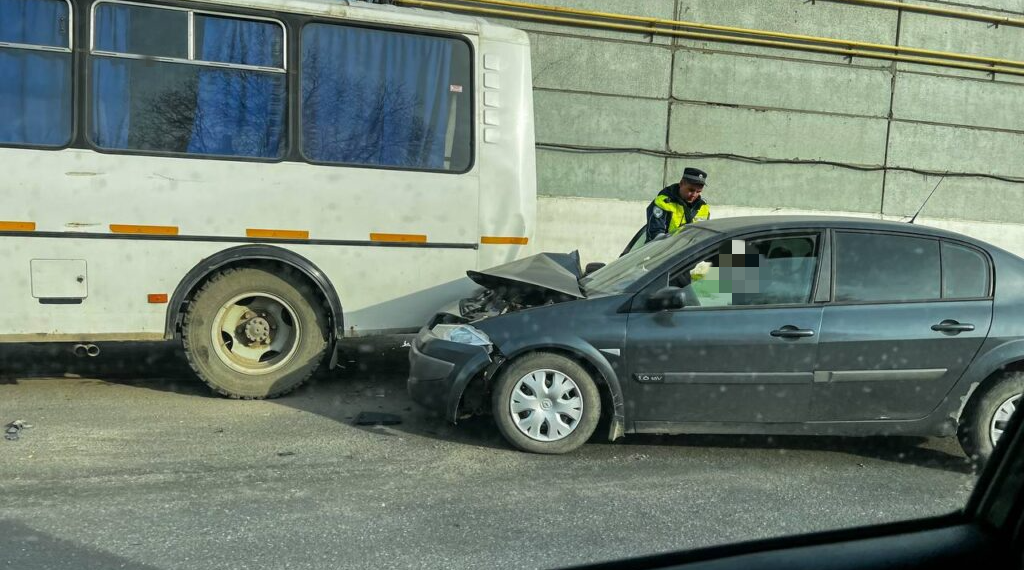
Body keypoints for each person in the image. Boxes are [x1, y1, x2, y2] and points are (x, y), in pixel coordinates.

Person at [644, 167, 711, 242]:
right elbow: (655, 235)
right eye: (691, 190)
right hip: (663, 251)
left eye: (698, 191)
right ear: (681, 183)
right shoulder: (663, 203)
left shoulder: (704, 208)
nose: (694, 194)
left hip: (691, 252)